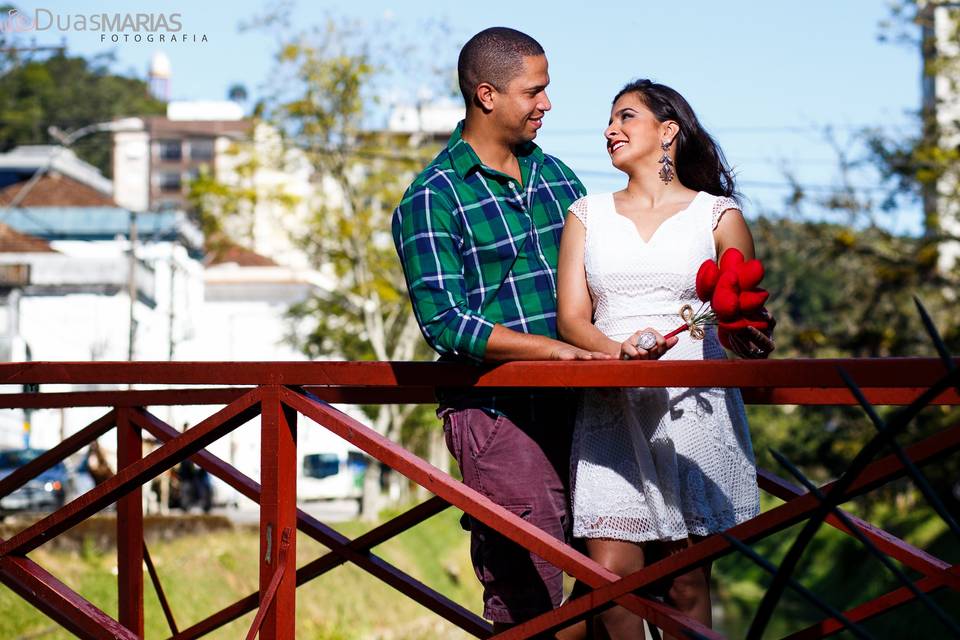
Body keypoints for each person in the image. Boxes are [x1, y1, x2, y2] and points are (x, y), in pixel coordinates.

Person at [392, 27, 611, 633]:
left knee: (617, 576)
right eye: (533, 91)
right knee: (529, 590)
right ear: (486, 95)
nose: (546, 103)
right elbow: (444, 321)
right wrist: (553, 352)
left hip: (586, 407)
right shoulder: (432, 197)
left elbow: (602, 287)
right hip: (496, 414)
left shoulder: (561, 180)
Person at [556, 79, 774, 639]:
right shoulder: (586, 215)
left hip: (693, 410)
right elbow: (573, 321)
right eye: (609, 121)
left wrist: (745, 333)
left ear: (668, 130)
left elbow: (741, 310)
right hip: (612, 404)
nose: (611, 130)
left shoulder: (718, 216)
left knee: (684, 581)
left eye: (626, 117)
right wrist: (617, 349)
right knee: (608, 577)